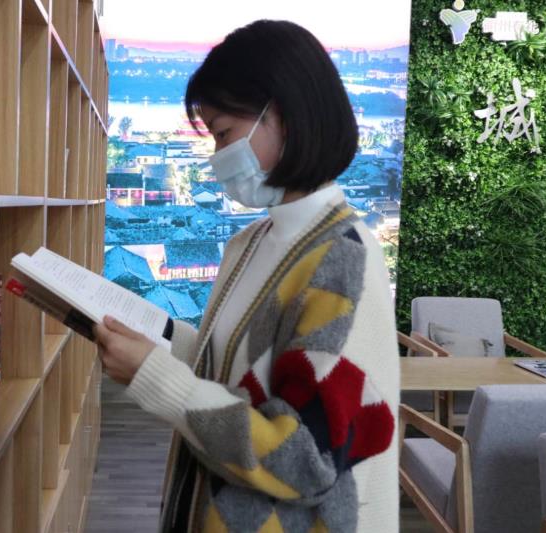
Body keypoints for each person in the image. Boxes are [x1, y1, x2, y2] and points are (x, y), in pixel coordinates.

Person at [93, 19, 399, 533]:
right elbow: (237, 368)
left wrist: (158, 378)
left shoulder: (342, 261)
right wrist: (156, 337)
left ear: (282, 115)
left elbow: (306, 459)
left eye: (223, 135)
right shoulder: (251, 242)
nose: (217, 158)